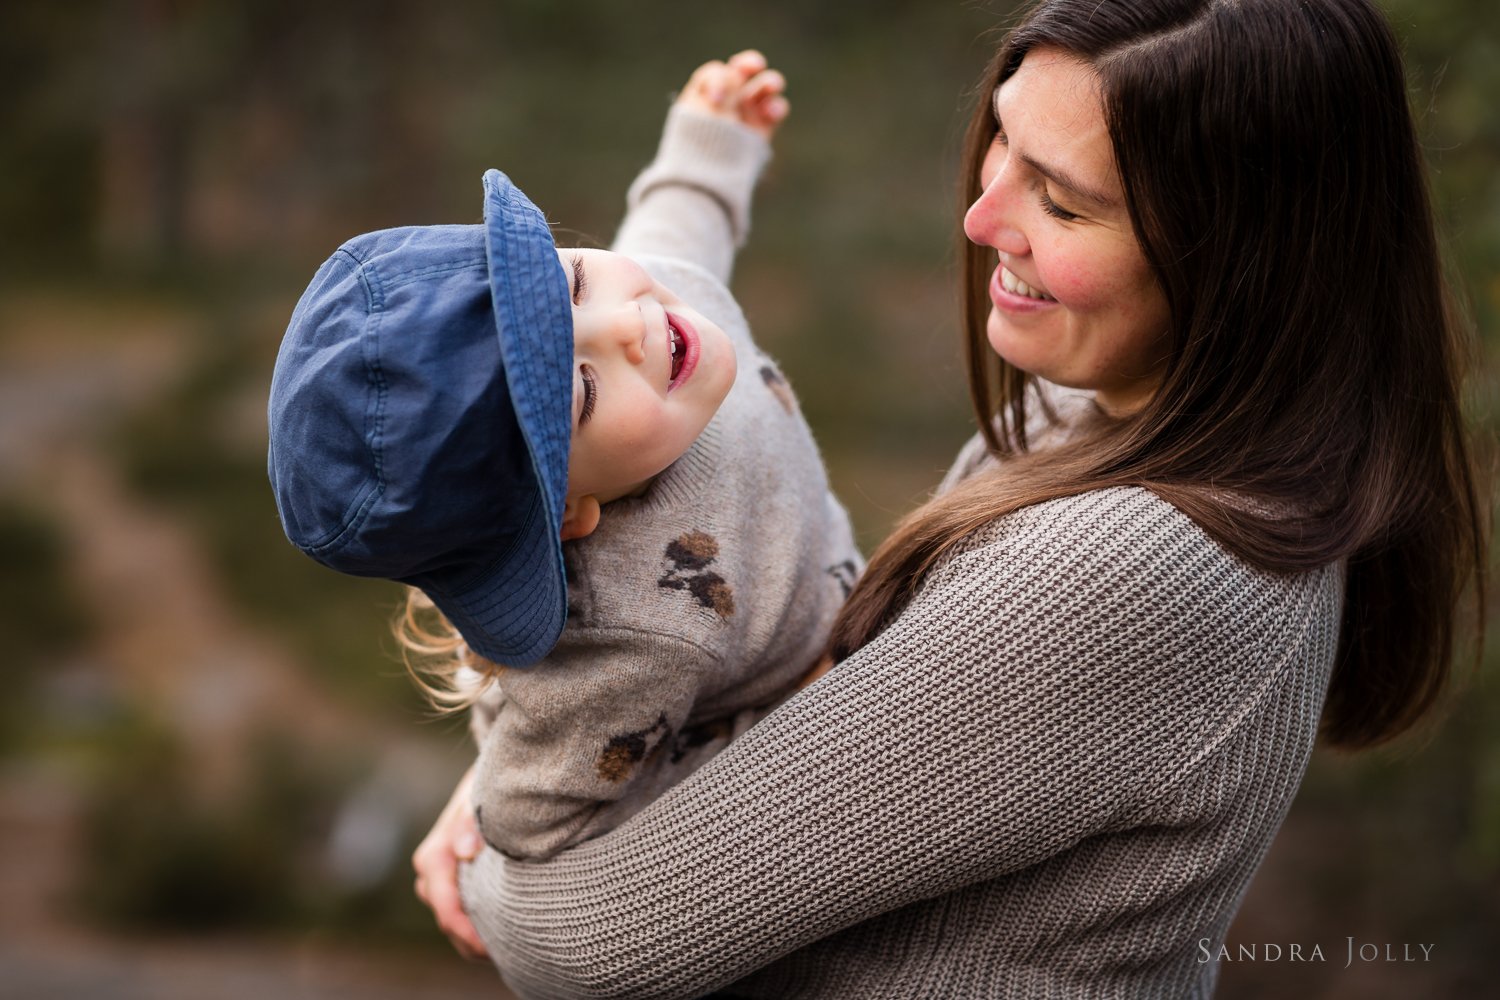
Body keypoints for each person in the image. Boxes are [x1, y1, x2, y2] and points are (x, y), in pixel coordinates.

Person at [414, 1, 1488, 997]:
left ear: (1247, 264)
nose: (981, 220)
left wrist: (489, 855)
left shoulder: (1136, 569)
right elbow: (810, 699)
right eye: (1003, 146)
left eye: (1061, 201)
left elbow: (600, 947)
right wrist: (534, 768)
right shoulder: (1103, 423)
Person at [267, 51, 856, 865]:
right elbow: (528, 821)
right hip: (802, 693)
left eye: (571, 283)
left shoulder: (658, 310)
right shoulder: (636, 636)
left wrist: (708, 143)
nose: (623, 326)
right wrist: (796, 728)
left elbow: (669, 234)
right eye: (582, 391)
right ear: (571, 515)